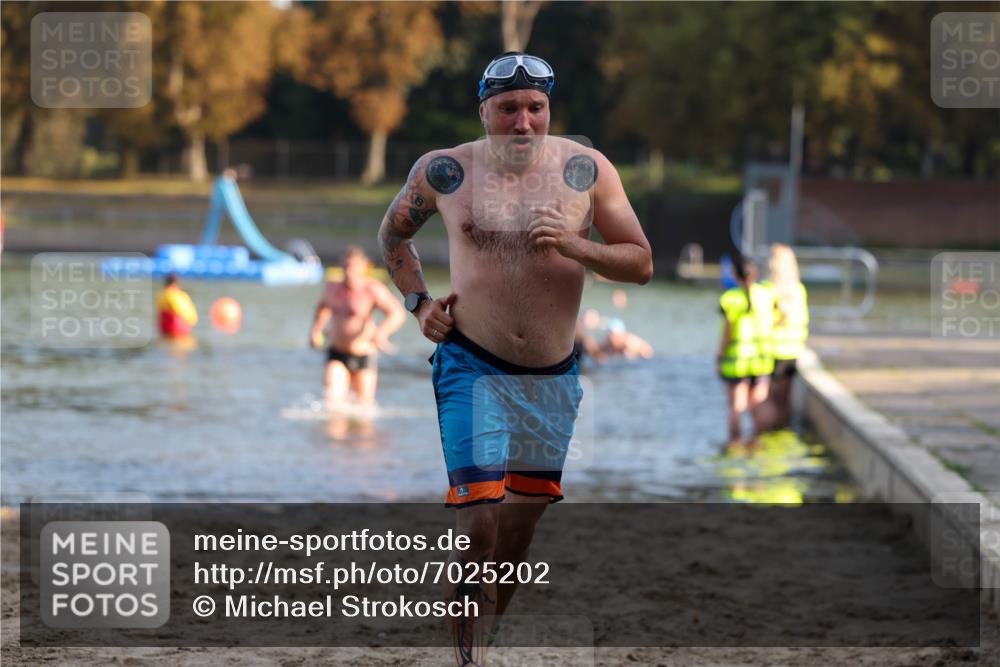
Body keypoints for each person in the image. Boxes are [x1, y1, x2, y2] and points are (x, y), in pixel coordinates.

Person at [377, 52, 652, 665]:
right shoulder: (445, 171)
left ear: (549, 111)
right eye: (508, 109)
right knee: (478, 522)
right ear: (484, 111)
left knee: (518, 533)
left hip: (552, 376)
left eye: (536, 108)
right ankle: (466, 659)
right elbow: (393, 237)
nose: (523, 121)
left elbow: (641, 261)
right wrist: (418, 302)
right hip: (470, 364)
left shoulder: (586, 170)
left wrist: (577, 245)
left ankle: (484, 637)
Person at [309, 247, 406, 407]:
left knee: (363, 409)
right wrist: (316, 330)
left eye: (352, 267)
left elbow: (397, 313)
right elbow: (322, 307)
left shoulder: (372, 289)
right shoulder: (332, 287)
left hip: (363, 355)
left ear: (363, 268)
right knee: (332, 402)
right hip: (336, 353)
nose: (348, 271)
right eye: (345, 266)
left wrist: (381, 333)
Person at [716, 259, 775, 442]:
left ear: (734, 276)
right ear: (755, 274)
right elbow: (781, 316)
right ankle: (757, 444)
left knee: (736, 407)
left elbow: (727, 333)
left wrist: (719, 357)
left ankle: (735, 445)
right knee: (758, 407)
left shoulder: (731, 298)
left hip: (737, 362)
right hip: (761, 360)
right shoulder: (767, 294)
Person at [763, 244, 809, 427]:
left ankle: (770, 432)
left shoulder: (767, 290)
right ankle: (782, 430)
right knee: (783, 400)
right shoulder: (798, 290)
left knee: (770, 400)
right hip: (792, 351)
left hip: (773, 351)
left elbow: (764, 322)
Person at [156, 273, 198, 339]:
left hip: (165, 330)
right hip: (178, 331)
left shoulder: (161, 295)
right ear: (176, 283)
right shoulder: (178, 295)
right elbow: (191, 316)